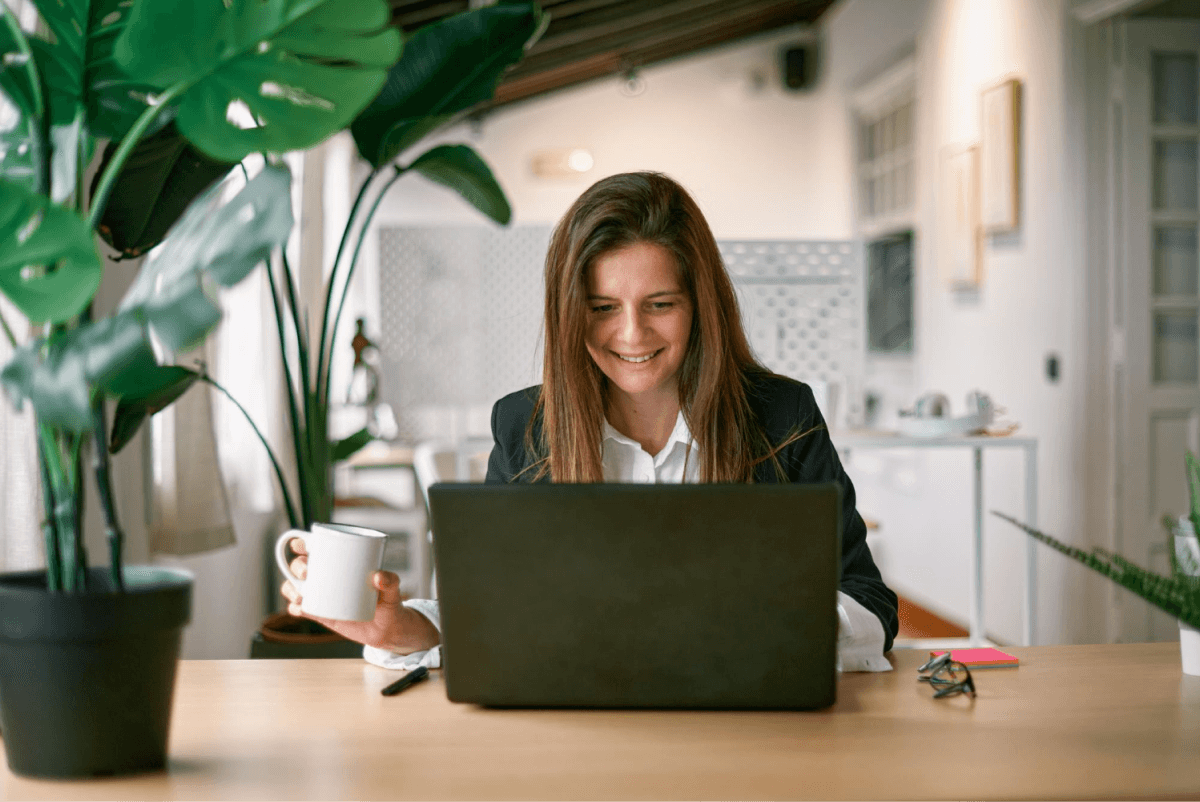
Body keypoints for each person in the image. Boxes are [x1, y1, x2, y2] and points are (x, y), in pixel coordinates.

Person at [282, 172, 899, 672]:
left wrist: (749, 633)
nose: (632, 334)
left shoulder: (783, 416)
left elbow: (869, 603)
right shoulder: (525, 426)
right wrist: (398, 628)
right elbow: (483, 610)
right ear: (569, 313)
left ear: (700, 306)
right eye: (603, 308)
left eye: (661, 304)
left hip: (748, 731)